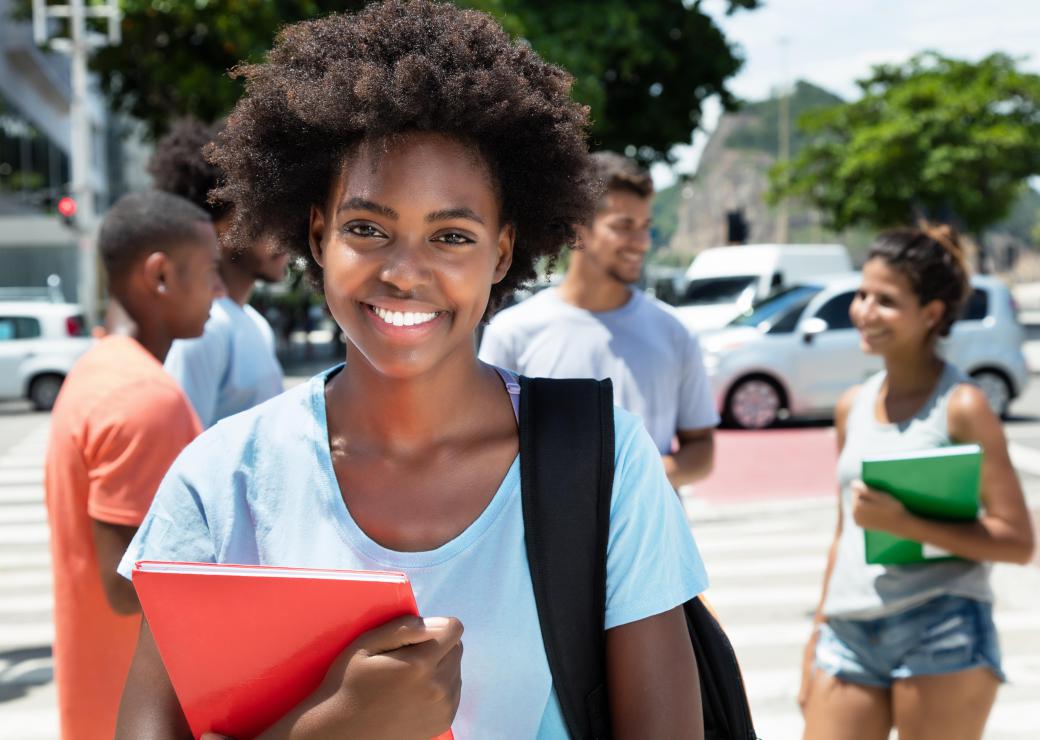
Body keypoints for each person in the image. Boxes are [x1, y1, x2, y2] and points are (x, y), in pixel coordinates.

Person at [114, 2, 709, 738]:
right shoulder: (220, 481)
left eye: (451, 236)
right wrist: (338, 728)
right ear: (318, 234)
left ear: (500, 253)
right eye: (368, 229)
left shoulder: (604, 463)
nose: (404, 273)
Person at [800, 225, 1036, 740]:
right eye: (862, 294)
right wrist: (814, 641)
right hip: (846, 632)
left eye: (885, 301)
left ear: (931, 313)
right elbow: (845, 535)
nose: (863, 311)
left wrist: (904, 524)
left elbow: (1018, 542)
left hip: (942, 626)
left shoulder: (963, 406)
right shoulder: (851, 405)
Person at [43, 191, 219, 740]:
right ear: (161, 275)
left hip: (102, 700)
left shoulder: (99, 368)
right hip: (142, 712)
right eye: (210, 271)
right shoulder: (144, 396)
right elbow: (129, 587)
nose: (218, 290)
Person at [479, 151, 718, 489]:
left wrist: (628, 480)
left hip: (655, 540)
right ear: (580, 230)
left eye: (646, 227)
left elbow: (701, 449)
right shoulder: (513, 332)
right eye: (624, 226)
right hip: (545, 540)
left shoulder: (674, 332)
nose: (641, 243)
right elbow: (484, 448)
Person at [150, 117, 291, 428]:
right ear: (218, 231)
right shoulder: (206, 331)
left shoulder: (253, 322)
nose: (283, 234)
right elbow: (180, 452)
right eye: (264, 219)